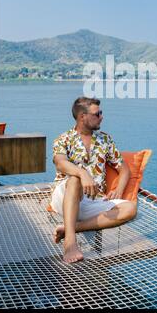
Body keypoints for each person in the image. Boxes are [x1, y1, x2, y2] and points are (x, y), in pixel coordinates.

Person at [50, 97, 137, 264]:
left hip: (93, 201)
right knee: (75, 180)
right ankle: (70, 242)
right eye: (97, 114)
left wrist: (119, 189)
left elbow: (124, 169)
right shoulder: (64, 139)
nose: (102, 117)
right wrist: (83, 174)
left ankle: (70, 228)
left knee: (129, 208)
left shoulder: (105, 139)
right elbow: (60, 162)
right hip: (66, 197)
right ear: (83, 116)